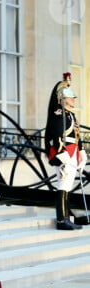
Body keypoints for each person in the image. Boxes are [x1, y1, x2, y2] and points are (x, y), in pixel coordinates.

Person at [44, 73, 85, 230]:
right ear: (62, 98)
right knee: (63, 186)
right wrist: (64, 157)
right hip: (64, 155)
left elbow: (76, 136)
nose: (73, 99)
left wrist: (81, 153)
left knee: (67, 187)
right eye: (70, 97)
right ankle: (62, 220)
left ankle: (68, 216)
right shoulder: (58, 115)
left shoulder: (71, 116)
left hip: (73, 154)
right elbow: (56, 138)